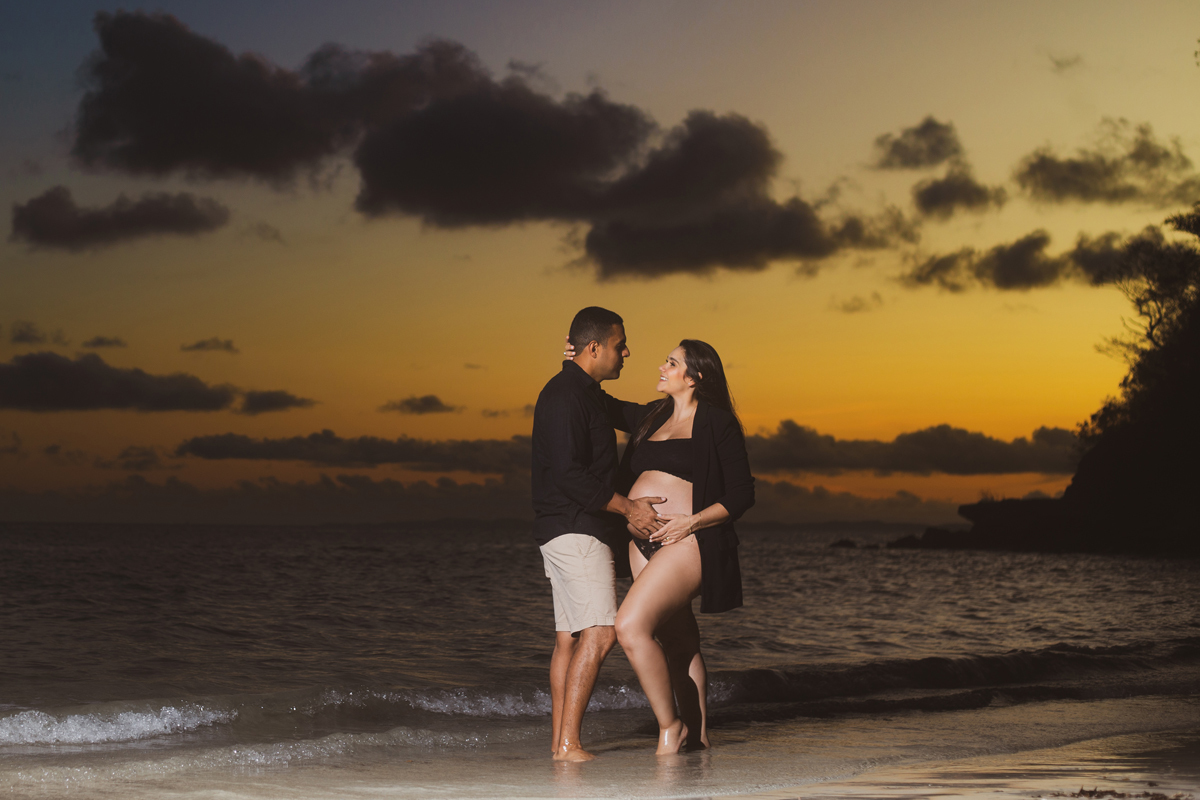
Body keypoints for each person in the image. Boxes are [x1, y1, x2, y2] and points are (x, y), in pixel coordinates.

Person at [531, 306, 664, 762]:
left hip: (565, 528)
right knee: (602, 633)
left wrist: (690, 400)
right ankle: (569, 745)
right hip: (576, 529)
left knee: (569, 638)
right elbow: (569, 474)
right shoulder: (566, 395)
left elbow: (637, 415)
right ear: (594, 348)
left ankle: (559, 744)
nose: (626, 352)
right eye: (619, 345)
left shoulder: (586, 393)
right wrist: (628, 508)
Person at [614, 340, 753, 755]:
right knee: (679, 641)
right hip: (641, 543)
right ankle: (699, 737)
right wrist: (575, 360)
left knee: (629, 627)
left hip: (687, 540)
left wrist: (690, 522)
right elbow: (598, 402)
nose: (662, 367)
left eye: (672, 363)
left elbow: (742, 494)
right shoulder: (650, 416)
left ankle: (669, 727)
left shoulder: (717, 423)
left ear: (695, 377)